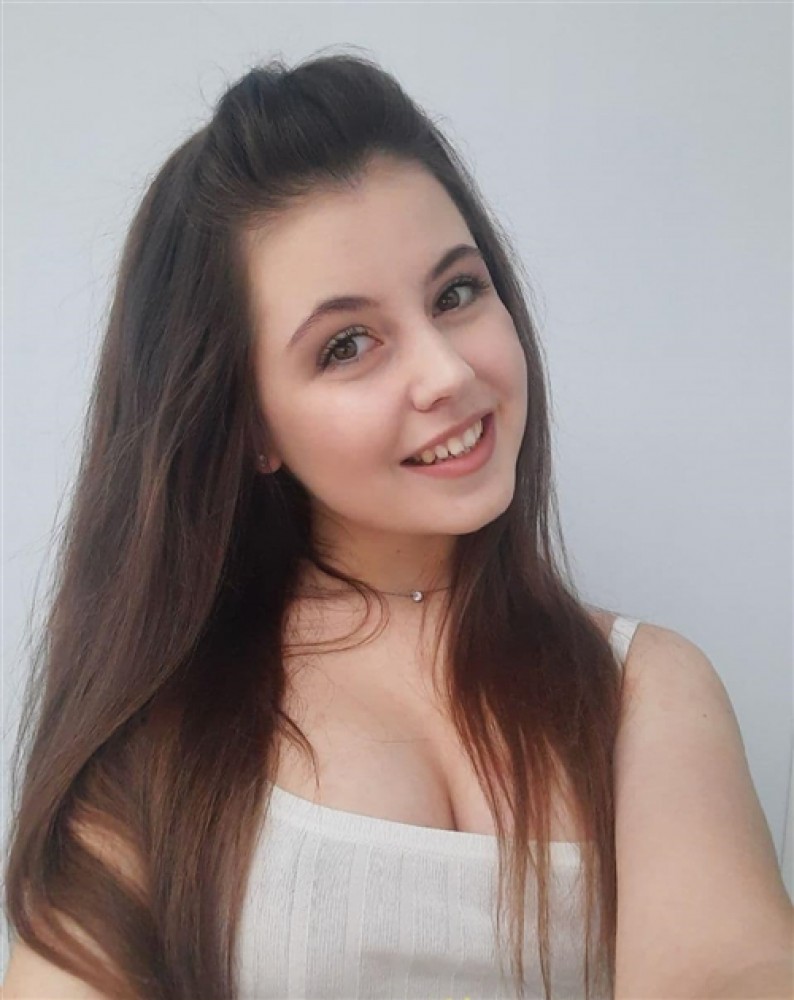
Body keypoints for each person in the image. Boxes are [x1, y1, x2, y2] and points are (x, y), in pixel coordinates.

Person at [3, 49, 791, 1000]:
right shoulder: (162, 741)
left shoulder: (641, 688)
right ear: (251, 426)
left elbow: (726, 973)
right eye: (347, 345)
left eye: (456, 293)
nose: (448, 373)